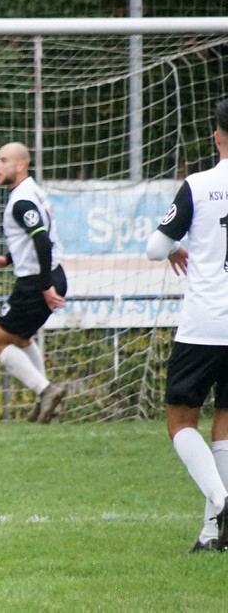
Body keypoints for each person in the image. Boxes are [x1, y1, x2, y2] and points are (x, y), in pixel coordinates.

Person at [145, 98, 228, 553]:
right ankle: (213, 534)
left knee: (180, 421)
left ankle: (222, 501)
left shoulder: (198, 185)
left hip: (204, 324)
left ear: (216, 137)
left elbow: (156, 249)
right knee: (226, 425)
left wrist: (178, 245)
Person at [0, 141, 68, 424]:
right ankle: (45, 400)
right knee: (20, 339)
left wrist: (43, 285)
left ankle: (45, 391)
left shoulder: (21, 200)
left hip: (36, 281)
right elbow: (37, 239)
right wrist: (7, 259)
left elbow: (42, 241)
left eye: (3, 161)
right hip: (51, 274)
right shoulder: (32, 192)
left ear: (20, 165)